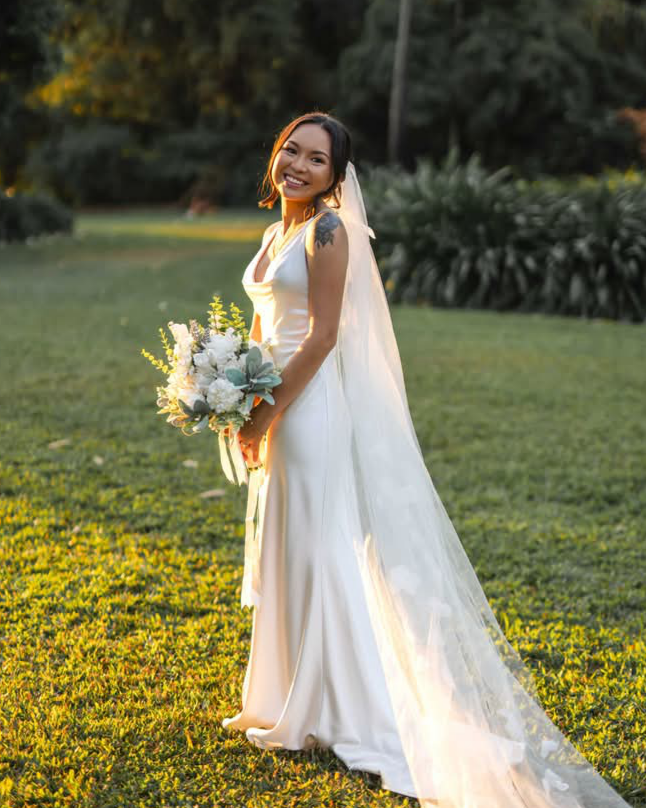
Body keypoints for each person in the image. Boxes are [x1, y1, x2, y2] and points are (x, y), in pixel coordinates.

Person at [221, 111, 634, 807]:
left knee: (323, 552)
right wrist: (236, 396)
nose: (297, 163)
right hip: (277, 403)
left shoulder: (328, 231)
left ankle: (348, 709)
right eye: (290, 149)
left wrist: (269, 409)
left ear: (334, 176)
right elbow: (265, 327)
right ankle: (294, 697)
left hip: (310, 408)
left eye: (316, 159)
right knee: (290, 550)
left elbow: (320, 339)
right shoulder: (275, 231)